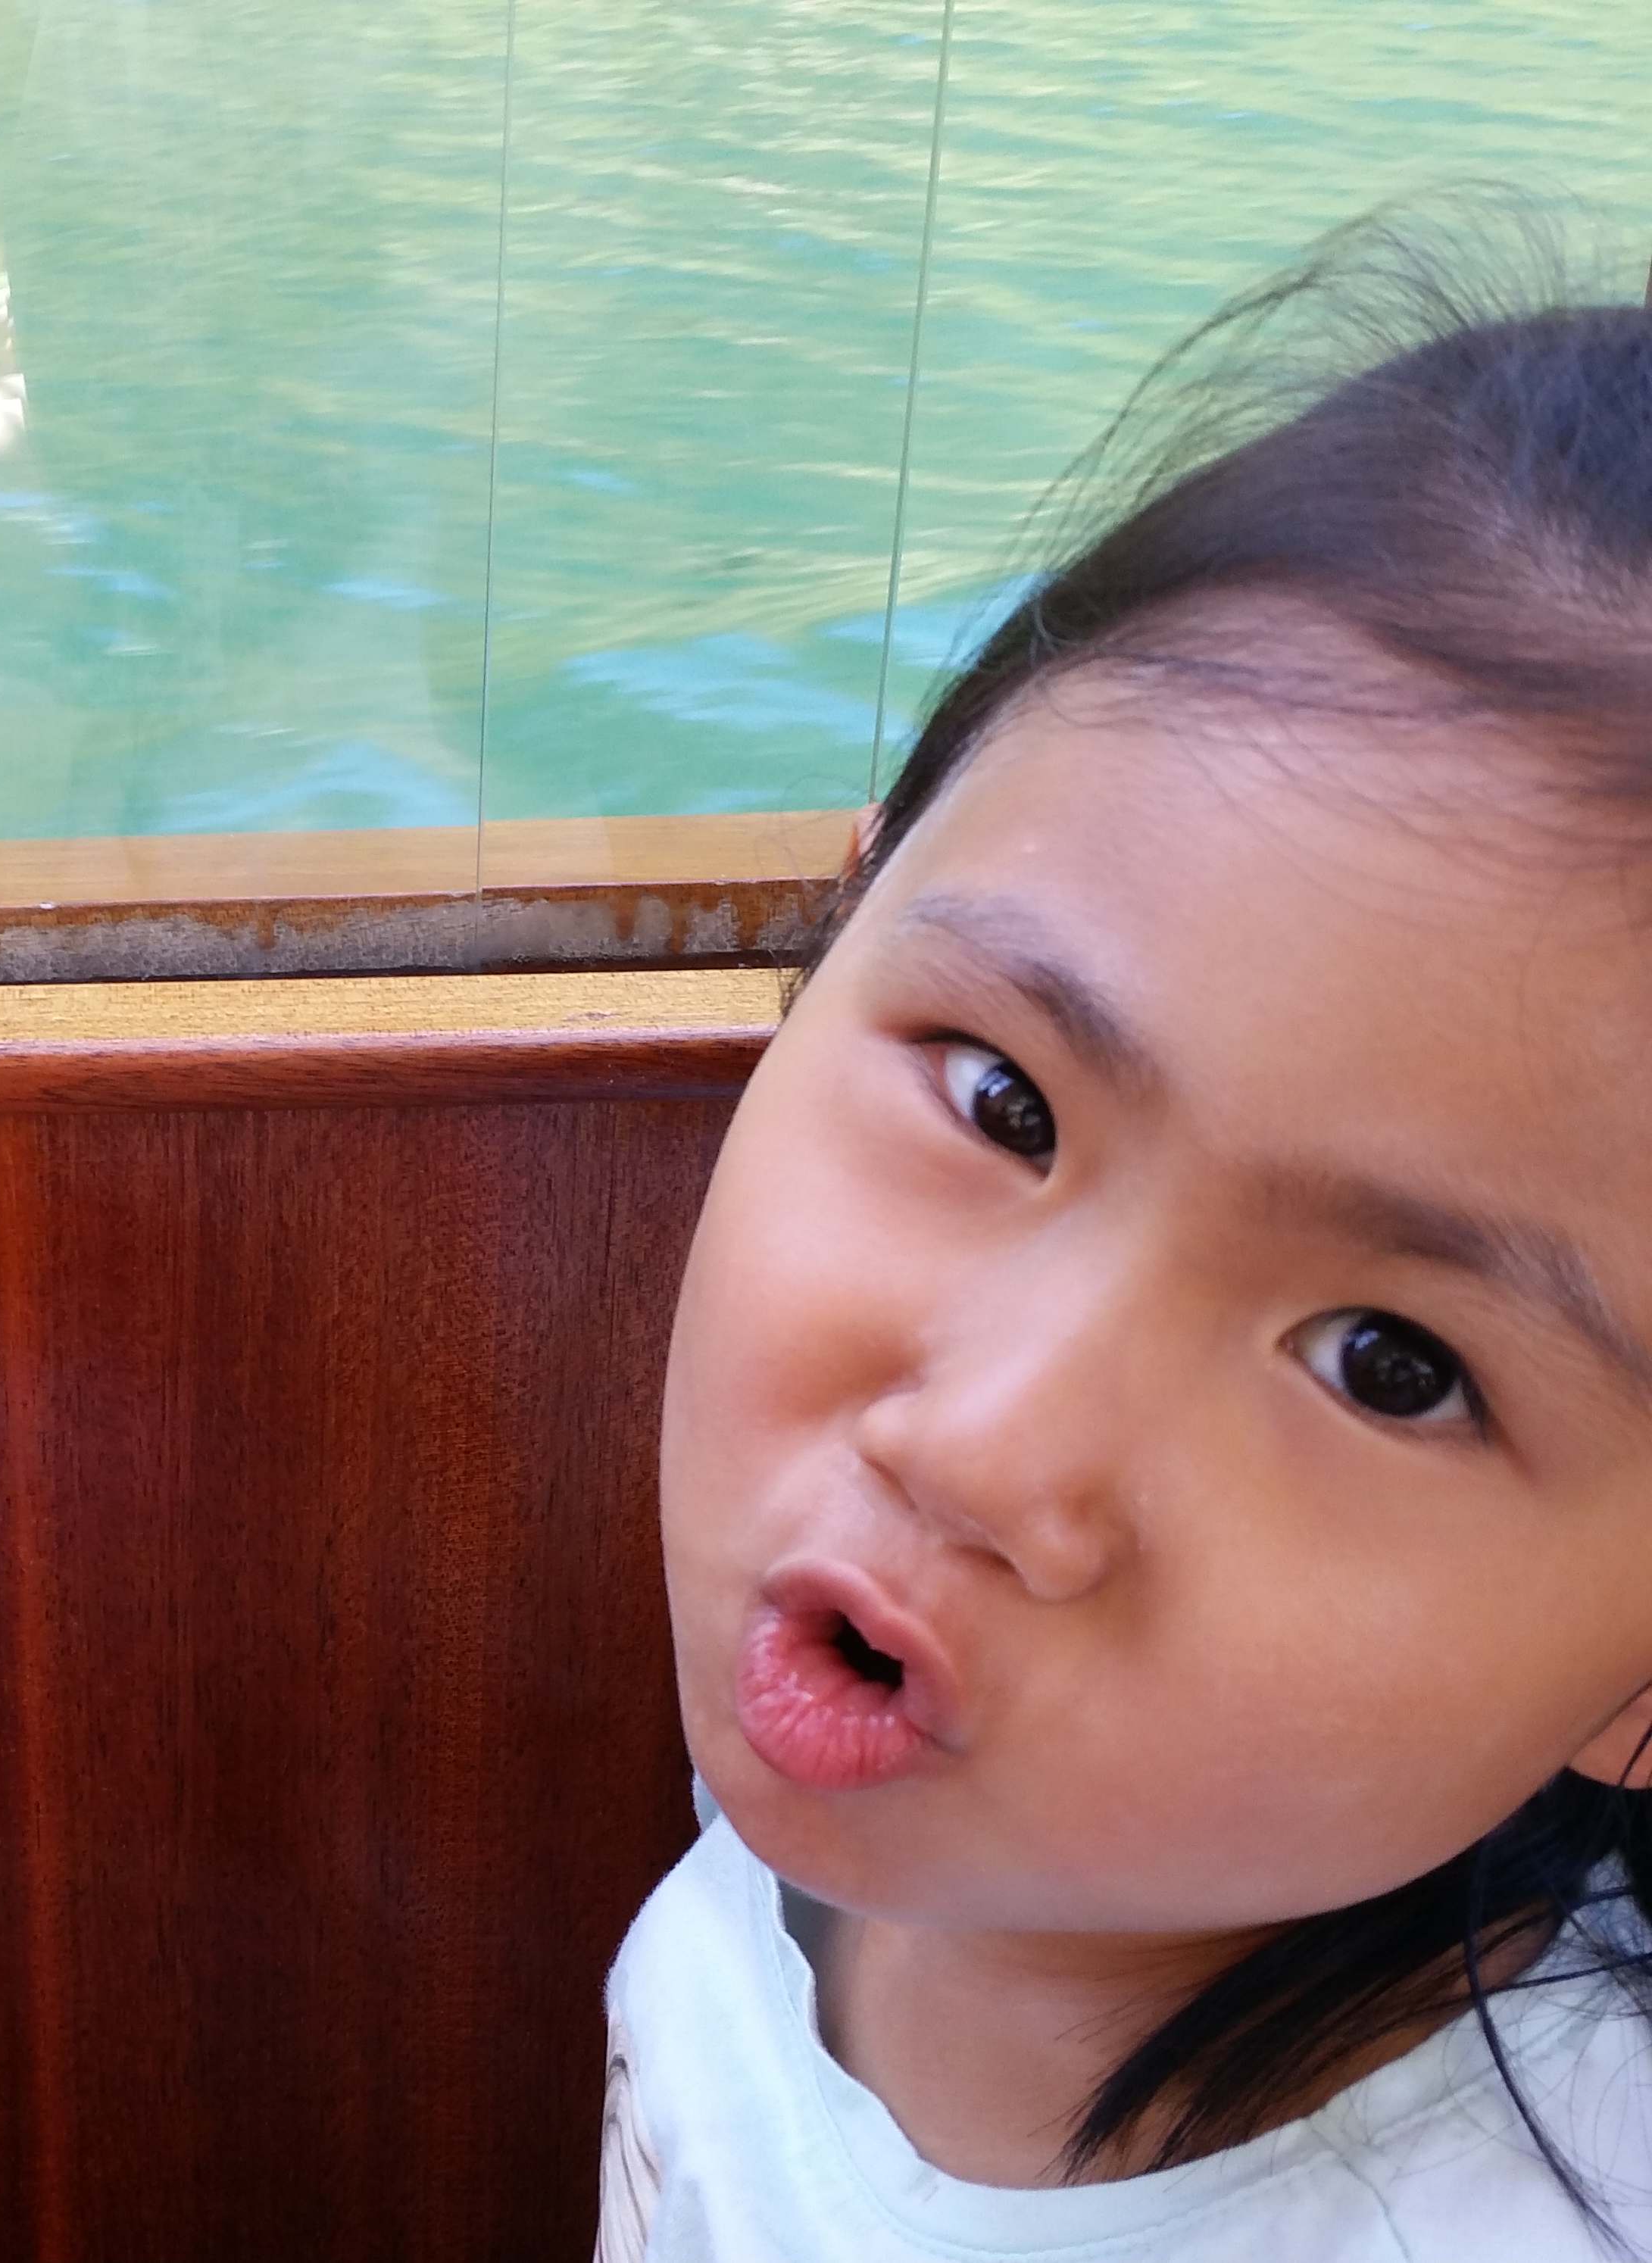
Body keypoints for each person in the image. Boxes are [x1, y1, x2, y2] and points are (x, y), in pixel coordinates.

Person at [598, 201, 1652, 2260]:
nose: (984, 1452)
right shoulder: (844, 1786)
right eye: (1005, 1102)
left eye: (1392, 1366)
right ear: (851, 914)